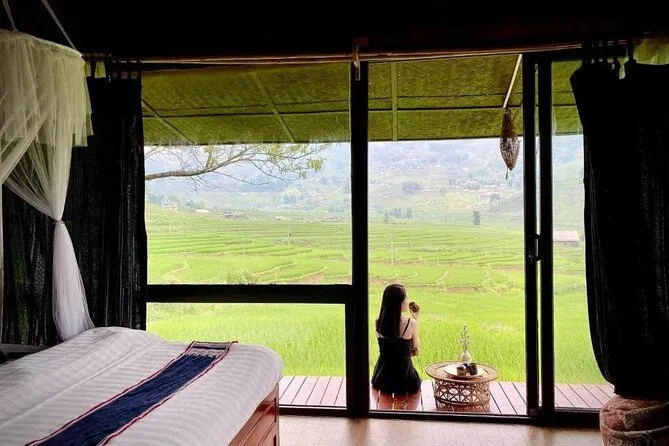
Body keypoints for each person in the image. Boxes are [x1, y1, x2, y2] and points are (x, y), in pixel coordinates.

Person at [371, 283, 421, 394]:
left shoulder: (378, 321)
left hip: (382, 378)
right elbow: (416, 347)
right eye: (406, 297)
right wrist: (416, 320)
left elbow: (390, 347)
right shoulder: (411, 323)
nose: (408, 300)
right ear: (400, 302)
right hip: (406, 380)